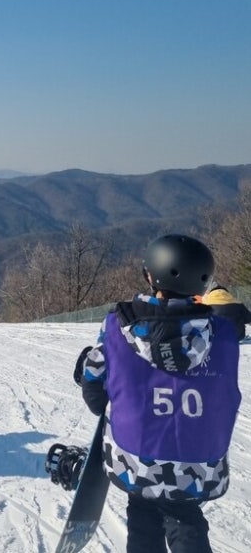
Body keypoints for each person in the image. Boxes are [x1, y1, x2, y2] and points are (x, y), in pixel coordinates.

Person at [75, 234, 242, 553]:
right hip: (201, 462)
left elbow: (94, 386)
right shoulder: (223, 334)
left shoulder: (117, 327)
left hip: (137, 459)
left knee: (143, 516)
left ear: (150, 276)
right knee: (185, 518)